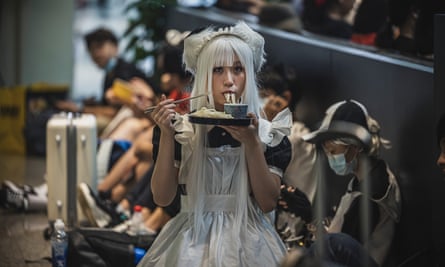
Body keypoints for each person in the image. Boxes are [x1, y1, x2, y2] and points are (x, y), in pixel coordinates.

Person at [137, 21, 293, 266]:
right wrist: (166, 135)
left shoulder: (267, 133)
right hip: (191, 236)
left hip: (250, 239)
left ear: (249, 75)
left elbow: (267, 202)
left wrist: (252, 145)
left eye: (238, 69)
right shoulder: (182, 129)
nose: (229, 80)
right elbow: (163, 198)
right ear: (203, 76)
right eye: (218, 70)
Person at [297, 99, 401, 266]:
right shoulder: (369, 175)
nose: (330, 157)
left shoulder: (371, 194)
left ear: (355, 146)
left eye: (333, 151)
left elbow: (337, 250)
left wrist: (309, 217)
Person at [56, 27, 154, 135]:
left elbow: (117, 112)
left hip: (140, 121)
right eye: (91, 50)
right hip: (125, 119)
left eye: (99, 47)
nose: (95, 53)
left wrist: (81, 109)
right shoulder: (109, 74)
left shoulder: (124, 71)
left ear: (115, 47)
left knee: (82, 125)